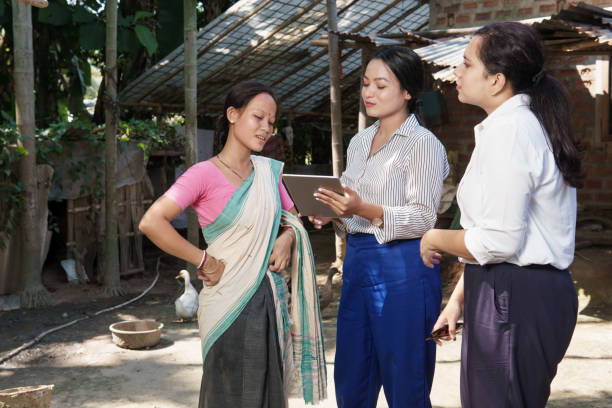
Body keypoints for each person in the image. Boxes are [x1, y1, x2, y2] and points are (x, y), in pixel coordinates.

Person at [419, 22, 583, 408]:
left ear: (496, 81)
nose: (455, 72)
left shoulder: (512, 132)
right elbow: (494, 231)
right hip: (510, 291)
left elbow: (497, 242)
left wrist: (432, 237)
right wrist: (459, 298)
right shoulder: (514, 126)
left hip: (516, 297)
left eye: (466, 64)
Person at [138, 81, 326, 408]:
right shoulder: (202, 175)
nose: (266, 127)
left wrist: (286, 238)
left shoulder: (268, 173)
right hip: (228, 304)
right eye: (258, 117)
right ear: (233, 115)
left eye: (271, 121)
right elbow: (151, 222)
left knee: (269, 394)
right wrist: (202, 260)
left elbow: (295, 221)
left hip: (270, 300)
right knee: (229, 394)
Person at [311, 46, 449, 408]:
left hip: (405, 266)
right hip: (358, 264)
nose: (369, 92)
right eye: (366, 83)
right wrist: (334, 213)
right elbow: (354, 214)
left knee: (406, 380)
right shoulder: (358, 142)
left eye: (381, 85)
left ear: (407, 92)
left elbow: (423, 218)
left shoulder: (424, 145)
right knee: (352, 376)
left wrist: (363, 207)